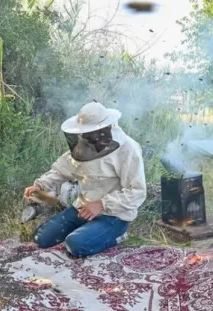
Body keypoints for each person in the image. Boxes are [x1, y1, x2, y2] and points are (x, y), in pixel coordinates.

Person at [24, 101, 147, 257]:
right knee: (40, 238)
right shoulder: (83, 146)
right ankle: (88, 231)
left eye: (93, 133)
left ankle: (116, 235)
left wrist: (101, 204)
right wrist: (40, 185)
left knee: (76, 245)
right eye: (87, 134)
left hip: (114, 215)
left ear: (107, 127)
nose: (90, 138)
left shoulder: (128, 149)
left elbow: (137, 191)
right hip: (82, 209)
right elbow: (61, 170)